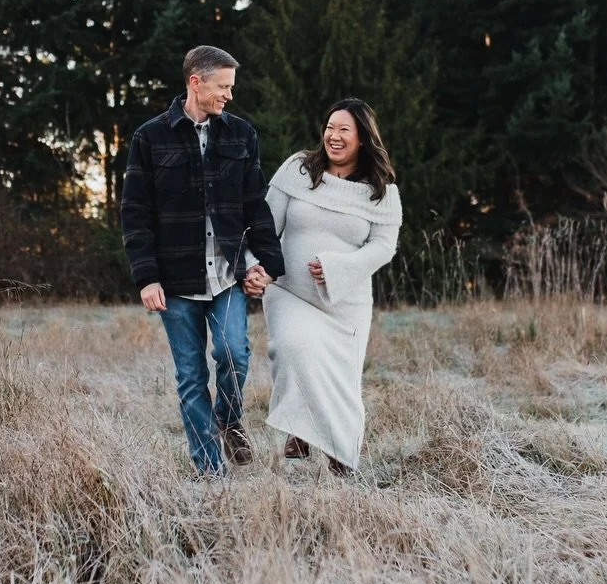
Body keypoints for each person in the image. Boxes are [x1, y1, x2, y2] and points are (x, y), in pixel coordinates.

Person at [120, 46, 284, 478]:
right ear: (196, 82)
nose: (229, 95)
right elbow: (135, 213)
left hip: (227, 276)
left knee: (234, 355)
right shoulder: (149, 137)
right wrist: (146, 277)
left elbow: (255, 204)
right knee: (191, 376)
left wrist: (267, 263)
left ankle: (229, 420)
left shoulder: (241, 135)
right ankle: (211, 473)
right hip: (174, 283)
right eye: (223, 87)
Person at [261, 99, 402, 475]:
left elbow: (383, 247)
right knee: (293, 345)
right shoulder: (298, 170)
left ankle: (339, 456)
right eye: (329, 127)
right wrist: (256, 268)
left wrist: (339, 267)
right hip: (289, 291)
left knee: (341, 382)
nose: (333, 136)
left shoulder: (381, 192)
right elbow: (265, 227)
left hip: (346, 304)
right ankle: (300, 426)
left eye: (344, 130)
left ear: (362, 139)